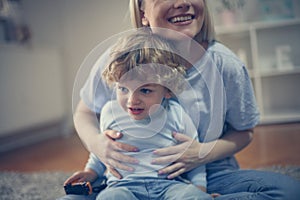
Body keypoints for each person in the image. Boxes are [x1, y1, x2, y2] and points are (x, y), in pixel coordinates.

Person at [73, 0, 300, 199]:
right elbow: (83, 113)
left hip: (210, 174)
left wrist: (200, 154)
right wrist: (98, 145)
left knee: (289, 192)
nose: (181, 2)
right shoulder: (121, 58)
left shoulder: (224, 64)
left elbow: (245, 131)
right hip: (126, 179)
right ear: (143, 13)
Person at [61, 30, 213, 199]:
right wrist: (90, 172)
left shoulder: (177, 113)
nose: (132, 100)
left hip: (169, 187)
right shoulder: (109, 112)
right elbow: (103, 150)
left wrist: (200, 189)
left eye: (145, 90)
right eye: (123, 89)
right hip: (122, 186)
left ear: (167, 90)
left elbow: (195, 158)